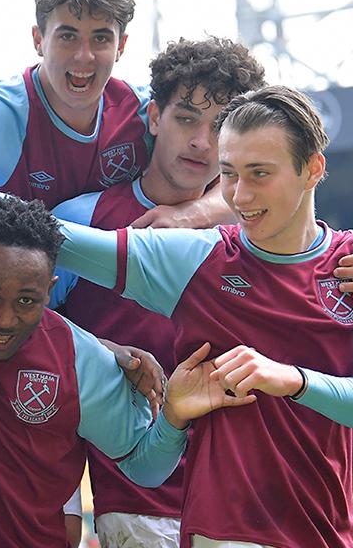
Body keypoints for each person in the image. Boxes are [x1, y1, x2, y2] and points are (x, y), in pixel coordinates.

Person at [0, 85, 353, 548]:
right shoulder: (197, 259)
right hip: (220, 533)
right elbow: (45, 233)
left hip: (325, 532)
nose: (239, 196)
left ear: (313, 168)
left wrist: (292, 380)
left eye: (259, 174)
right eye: (231, 174)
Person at [50, 36, 267, 547]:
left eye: (220, 128)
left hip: (246, 505)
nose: (201, 142)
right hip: (137, 508)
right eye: (186, 118)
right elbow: (29, 334)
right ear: (153, 118)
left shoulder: (259, 237)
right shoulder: (82, 222)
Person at [0, 195, 253, 548]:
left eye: (26, 301)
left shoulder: (76, 355)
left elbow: (145, 468)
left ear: (49, 290)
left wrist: (175, 414)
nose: (4, 318)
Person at [0, 0, 229, 228]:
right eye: (68, 36)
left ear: (121, 46)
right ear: (39, 40)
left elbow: (242, 179)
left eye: (100, 38)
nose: (83, 56)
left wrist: (193, 213)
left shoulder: (144, 113)